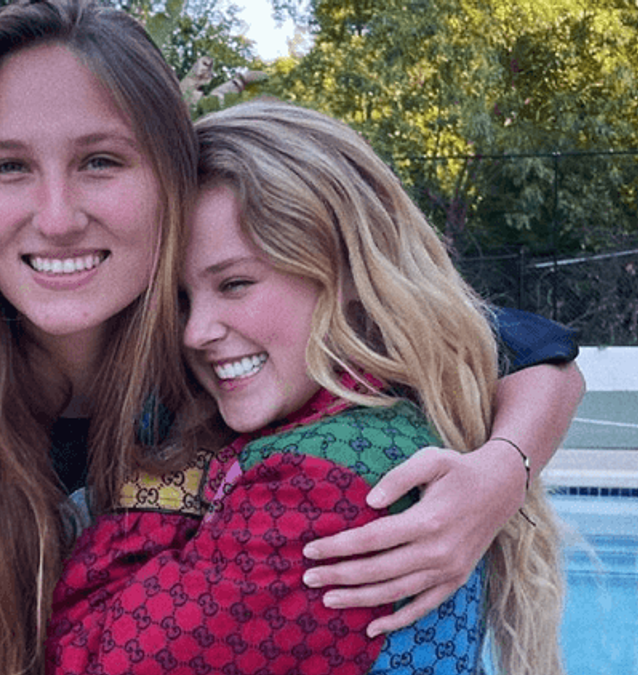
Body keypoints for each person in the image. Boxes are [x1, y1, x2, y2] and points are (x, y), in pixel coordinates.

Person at [0, 2, 581, 674]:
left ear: (171, 177)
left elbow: (518, 346)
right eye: (8, 166)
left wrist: (501, 471)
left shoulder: (225, 357)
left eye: (100, 161)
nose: (56, 217)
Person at [46, 99, 568, 675]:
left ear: (347, 268)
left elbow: (90, 660)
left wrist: (157, 475)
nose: (194, 332)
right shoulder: (378, 396)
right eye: (179, 300)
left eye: (235, 283)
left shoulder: (320, 486)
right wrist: (507, 463)